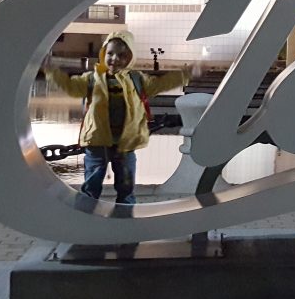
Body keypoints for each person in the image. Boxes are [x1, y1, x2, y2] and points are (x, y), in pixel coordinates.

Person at [43, 30, 193, 204]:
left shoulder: (137, 79)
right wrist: (52, 72)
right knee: (92, 182)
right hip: (97, 140)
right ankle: (87, 211)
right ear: (103, 54)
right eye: (110, 53)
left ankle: (126, 210)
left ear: (130, 58)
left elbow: (161, 84)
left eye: (121, 55)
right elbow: (70, 86)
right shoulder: (92, 79)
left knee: (126, 183)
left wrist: (185, 75)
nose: (114, 59)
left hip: (125, 143)